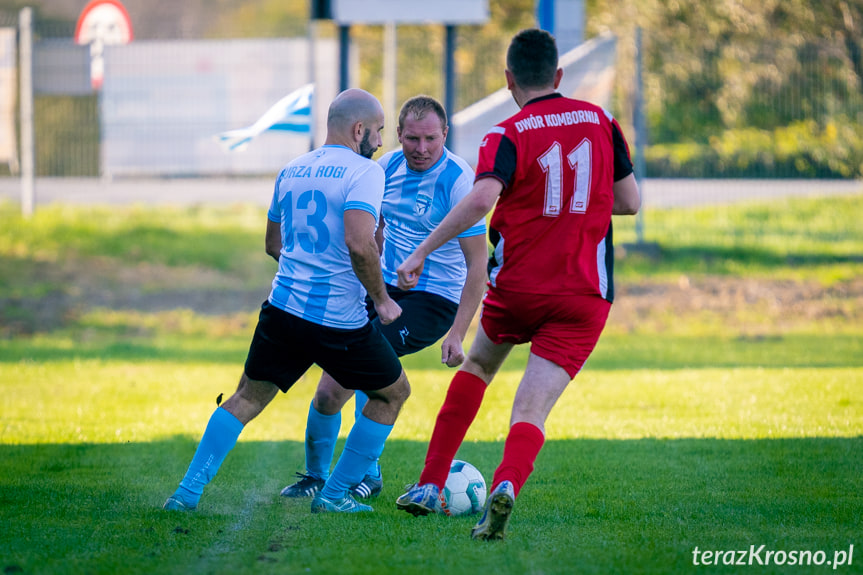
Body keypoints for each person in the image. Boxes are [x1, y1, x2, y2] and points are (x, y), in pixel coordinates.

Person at [394, 28, 641, 540]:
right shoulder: (603, 121)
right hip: (584, 295)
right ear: (558, 75)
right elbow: (630, 201)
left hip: (519, 288)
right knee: (531, 408)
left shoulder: (506, 134)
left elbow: (483, 200)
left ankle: (429, 483)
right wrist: (581, 204)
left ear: (509, 79)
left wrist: (422, 249)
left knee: (479, 365)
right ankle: (505, 484)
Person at [163, 88, 411, 514]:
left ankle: (185, 494)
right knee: (392, 393)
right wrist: (383, 300)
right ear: (359, 130)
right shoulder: (365, 172)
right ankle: (333, 497)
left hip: (282, 310)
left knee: (244, 399)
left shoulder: (292, 169)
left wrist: (307, 269)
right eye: (379, 132)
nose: (381, 142)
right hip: (338, 320)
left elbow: (272, 243)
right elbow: (359, 244)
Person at [280, 95, 488, 501]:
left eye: (431, 138)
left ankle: (366, 477)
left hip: (433, 301)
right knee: (328, 390)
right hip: (384, 292)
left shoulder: (458, 180)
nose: (422, 148)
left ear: (445, 134)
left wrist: (458, 333)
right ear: (397, 135)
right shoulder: (385, 167)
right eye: (412, 138)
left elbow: (478, 266)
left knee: (358, 374)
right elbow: (368, 230)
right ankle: (315, 477)